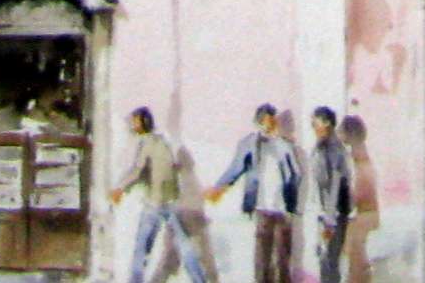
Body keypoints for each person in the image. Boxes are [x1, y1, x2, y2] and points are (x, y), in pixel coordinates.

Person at [108, 106, 206, 283]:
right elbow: (172, 168)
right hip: (172, 201)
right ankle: (199, 280)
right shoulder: (163, 142)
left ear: (143, 123)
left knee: (141, 249)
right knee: (184, 244)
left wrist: (120, 188)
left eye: (135, 121)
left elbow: (137, 171)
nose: (132, 124)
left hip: (155, 202)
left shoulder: (146, 143)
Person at [206, 103, 300, 283]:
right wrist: (219, 188)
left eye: (272, 122)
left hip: (282, 209)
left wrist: (292, 202)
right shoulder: (249, 144)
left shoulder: (284, 146)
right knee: (262, 258)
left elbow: (295, 174)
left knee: (282, 258)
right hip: (262, 207)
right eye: (265, 122)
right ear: (258, 122)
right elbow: (236, 168)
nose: (269, 126)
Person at [307, 107, 354, 283]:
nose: (313, 127)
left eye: (316, 123)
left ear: (327, 124)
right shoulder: (320, 147)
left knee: (329, 261)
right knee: (325, 259)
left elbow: (335, 185)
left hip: (332, 215)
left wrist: (329, 220)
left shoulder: (334, 149)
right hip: (325, 213)